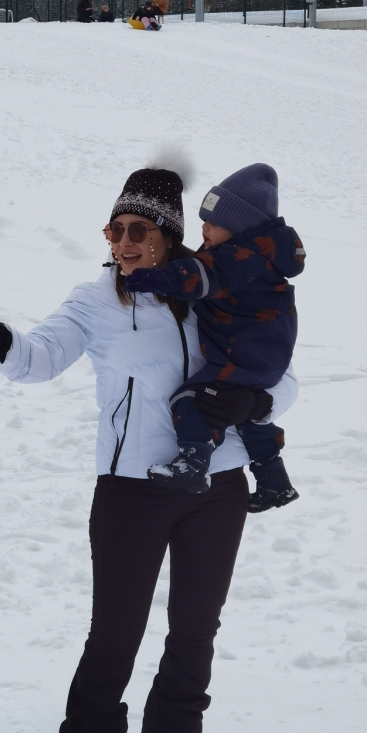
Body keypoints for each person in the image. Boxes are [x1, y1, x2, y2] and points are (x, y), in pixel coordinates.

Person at [0, 160, 297, 733]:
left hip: (217, 485)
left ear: (169, 235)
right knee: (115, 635)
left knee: (196, 629)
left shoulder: (214, 286)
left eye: (140, 230)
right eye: (115, 229)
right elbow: (42, 356)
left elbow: (280, 368)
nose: (125, 243)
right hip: (133, 490)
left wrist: (259, 398)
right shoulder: (95, 302)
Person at [125, 164, 304, 510]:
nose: (204, 228)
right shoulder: (262, 259)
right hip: (264, 360)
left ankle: (193, 464)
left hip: (242, 356)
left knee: (190, 399)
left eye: (213, 223)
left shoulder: (238, 259)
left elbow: (200, 274)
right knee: (247, 415)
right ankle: (274, 481)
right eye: (203, 220)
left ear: (240, 229)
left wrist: (156, 279)